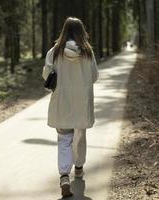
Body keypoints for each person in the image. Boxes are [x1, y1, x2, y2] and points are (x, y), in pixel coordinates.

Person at [42, 17, 99, 198]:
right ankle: (79, 168)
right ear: (82, 32)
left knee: (64, 139)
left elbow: (46, 75)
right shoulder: (88, 52)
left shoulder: (55, 51)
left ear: (64, 31)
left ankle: (65, 176)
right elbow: (94, 76)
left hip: (62, 102)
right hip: (81, 103)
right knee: (79, 138)